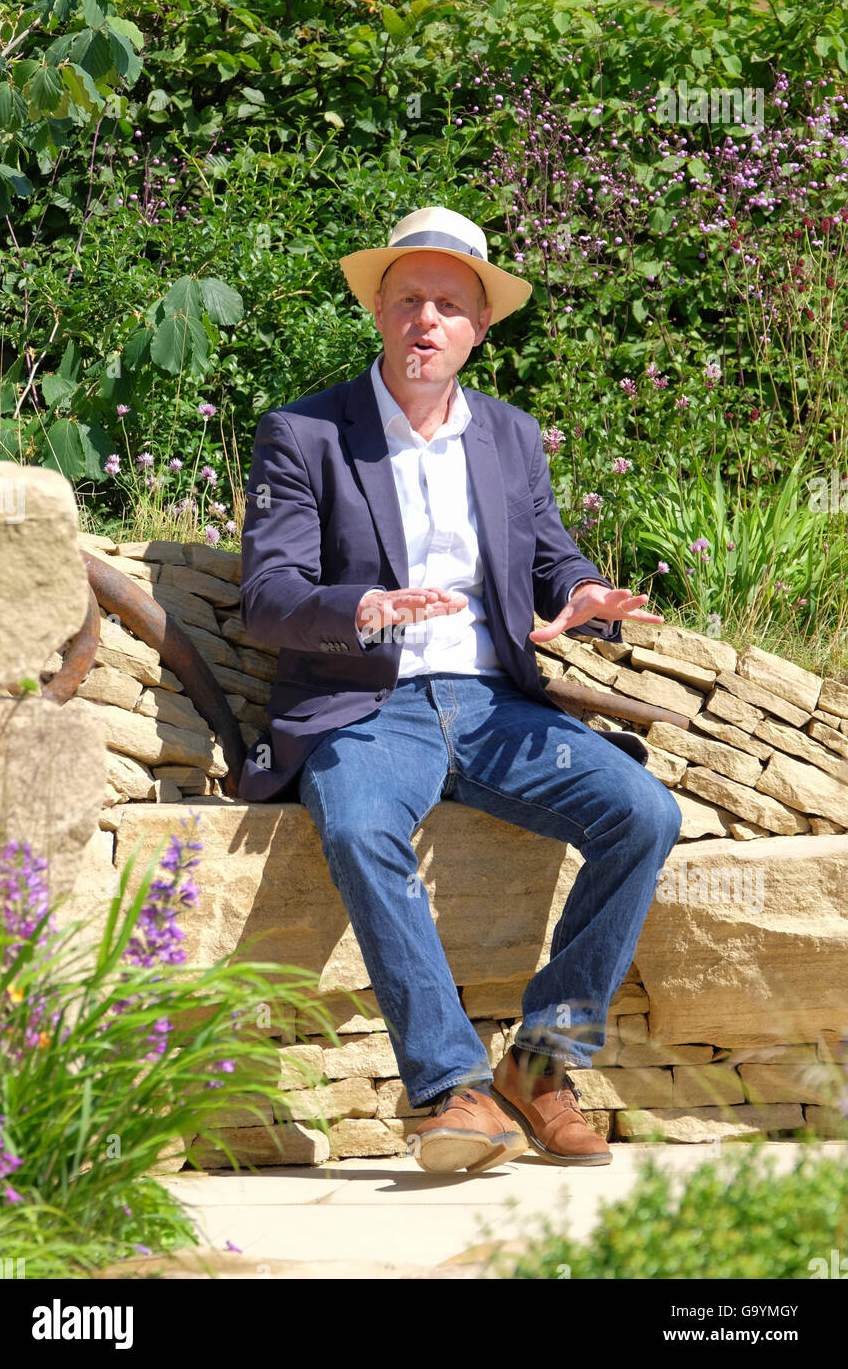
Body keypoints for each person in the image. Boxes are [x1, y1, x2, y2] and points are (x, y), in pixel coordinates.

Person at [238, 207, 683, 1175]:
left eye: (449, 305)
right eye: (408, 301)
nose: (425, 321)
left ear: (478, 328)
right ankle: (448, 1088)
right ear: (378, 314)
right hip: (364, 704)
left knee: (643, 813)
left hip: (493, 707)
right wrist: (365, 609)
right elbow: (267, 599)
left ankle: (542, 1063)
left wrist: (582, 596)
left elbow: (550, 555)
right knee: (357, 827)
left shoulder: (509, 436)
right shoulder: (305, 431)